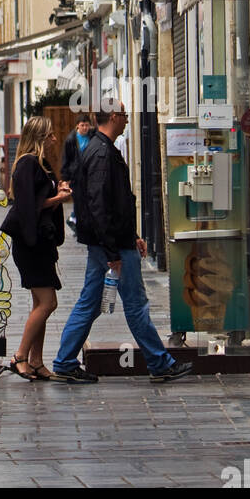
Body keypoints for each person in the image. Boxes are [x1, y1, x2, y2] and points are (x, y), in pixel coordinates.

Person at [52, 107, 193, 384]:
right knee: (135, 303)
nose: (128, 119)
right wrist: (113, 251)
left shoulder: (100, 149)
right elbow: (99, 205)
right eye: (125, 115)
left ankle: (65, 361)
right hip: (112, 246)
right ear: (114, 117)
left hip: (112, 242)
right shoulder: (102, 153)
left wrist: (134, 235)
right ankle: (159, 362)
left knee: (91, 303)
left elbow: (113, 204)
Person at [2, 117, 72, 380]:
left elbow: (41, 198)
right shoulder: (28, 164)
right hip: (30, 245)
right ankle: (20, 356)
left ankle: (36, 361)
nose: (55, 139)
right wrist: (60, 198)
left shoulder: (39, 165)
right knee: (48, 302)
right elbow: (28, 205)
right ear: (40, 137)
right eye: (51, 135)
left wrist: (59, 189)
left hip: (41, 243)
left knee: (39, 303)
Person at [60, 113, 93, 232]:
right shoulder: (71, 140)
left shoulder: (93, 136)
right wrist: (65, 177)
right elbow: (66, 158)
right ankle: (78, 223)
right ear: (77, 126)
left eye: (87, 125)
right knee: (78, 200)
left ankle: (77, 220)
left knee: (88, 199)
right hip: (76, 175)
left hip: (89, 173)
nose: (85, 128)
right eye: (82, 125)